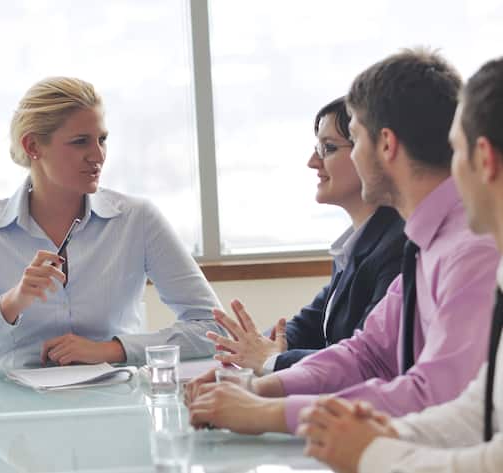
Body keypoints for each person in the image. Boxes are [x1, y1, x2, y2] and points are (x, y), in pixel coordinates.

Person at [185, 48, 500, 436]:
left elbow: (436, 396)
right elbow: (367, 353)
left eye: (353, 139)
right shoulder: (426, 241)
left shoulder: (471, 249)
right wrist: (258, 387)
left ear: (386, 145)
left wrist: (268, 412)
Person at [297, 57, 503, 473]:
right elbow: (475, 409)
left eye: (456, 151)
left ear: (483, 159)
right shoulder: (429, 247)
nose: (450, 173)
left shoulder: (470, 253)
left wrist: (370, 451)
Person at [0, 76, 223, 369]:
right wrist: (13, 302)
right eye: (80, 142)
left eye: (102, 139)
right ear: (33, 145)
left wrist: (111, 350)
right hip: (16, 407)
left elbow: (215, 330)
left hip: (120, 401)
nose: (98, 156)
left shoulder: (137, 220)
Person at [208, 97, 405, 375]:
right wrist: (254, 348)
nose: (313, 162)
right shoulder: (357, 244)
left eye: (329, 148)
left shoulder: (398, 245)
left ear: (379, 151)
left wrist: (270, 359)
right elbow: (309, 324)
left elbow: (365, 360)